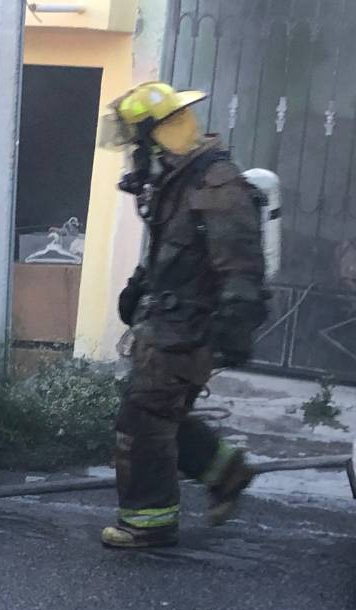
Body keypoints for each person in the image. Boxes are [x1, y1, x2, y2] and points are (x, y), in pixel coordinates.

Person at [98, 82, 268, 549]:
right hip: (167, 327)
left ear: (156, 137)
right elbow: (168, 254)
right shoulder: (179, 180)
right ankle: (227, 472)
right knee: (163, 414)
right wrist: (137, 289)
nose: (134, 155)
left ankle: (148, 523)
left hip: (189, 331)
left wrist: (233, 328)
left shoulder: (217, 186)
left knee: (144, 416)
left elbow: (241, 266)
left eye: (138, 143)